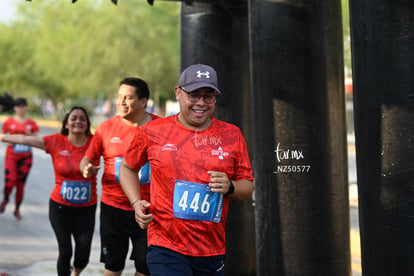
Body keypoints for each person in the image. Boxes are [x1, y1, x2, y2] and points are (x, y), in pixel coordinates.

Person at [119, 64, 255, 276]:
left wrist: (230, 186)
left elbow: (247, 187)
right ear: (178, 93)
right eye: (194, 95)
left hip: (211, 248)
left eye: (208, 96)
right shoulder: (154, 131)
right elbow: (127, 168)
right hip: (165, 243)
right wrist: (136, 202)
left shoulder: (232, 135)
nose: (201, 103)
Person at [0, 106, 98, 276]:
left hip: (86, 209)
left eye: (82, 118)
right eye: (74, 118)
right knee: (65, 251)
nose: (78, 121)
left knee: (83, 256)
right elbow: (24, 139)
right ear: (66, 124)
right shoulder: (56, 141)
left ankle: (75, 273)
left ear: (87, 124)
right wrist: (2, 137)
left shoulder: (95, 142)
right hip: (60, 207)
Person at [80, 77, 158, 276]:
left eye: (128, 98)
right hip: (113, 209)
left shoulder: (161, 128)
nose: (121, 102)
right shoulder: (106, 128)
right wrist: (86, 168)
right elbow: (87, 158)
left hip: (149, 210)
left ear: (143, 101)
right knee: (113, 267)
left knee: (145, 267)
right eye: (119, 97)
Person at [0, 97, 39, 220]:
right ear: (15, 108)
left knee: (20, 184)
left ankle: (17, 208)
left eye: (23, 106)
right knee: (10, 182)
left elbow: (36, 138)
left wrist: (30, 134)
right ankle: (5, 199)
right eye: (19, 107)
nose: (21, 109)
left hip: (26, 158)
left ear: (26, 108)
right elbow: (3, 136)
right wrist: (9, 141)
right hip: (11, 156)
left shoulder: (31, 123)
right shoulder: (9, 122)